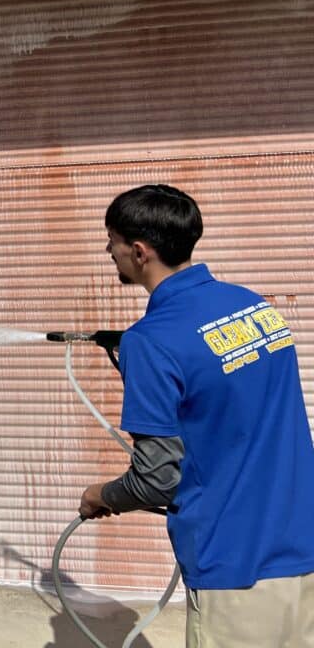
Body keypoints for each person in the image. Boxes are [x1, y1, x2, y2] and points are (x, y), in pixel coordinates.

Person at [78, 184, 314, 647]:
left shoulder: (150, 342)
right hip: (302, 547)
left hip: (234, 569)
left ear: (140, 251)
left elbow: (156, 480)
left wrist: (99, 495)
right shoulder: (254, 306)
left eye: (113, 241)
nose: (109, 250)